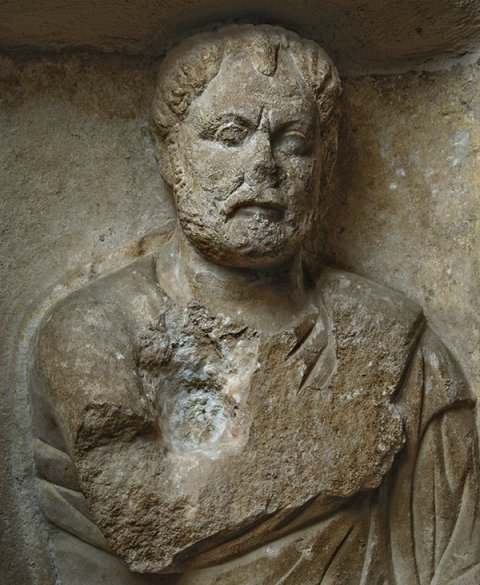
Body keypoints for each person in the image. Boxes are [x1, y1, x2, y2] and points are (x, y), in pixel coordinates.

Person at [32, 25, 480, 584]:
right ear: (170, 155)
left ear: (324, 166)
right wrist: (334, 449)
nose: (265, 164)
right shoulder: (98, 333)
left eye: (294, 142)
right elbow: (139, 518)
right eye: (230, 135)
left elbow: (461, 559)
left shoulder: (396, 342)